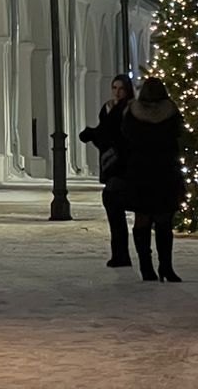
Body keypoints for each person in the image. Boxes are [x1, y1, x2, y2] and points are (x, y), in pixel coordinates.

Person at [121, 77, 185, 283]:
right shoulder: (171, 113)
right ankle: (166, 266)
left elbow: (126, 138)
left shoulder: (132, 113)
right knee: (164, 220)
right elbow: (178, 136)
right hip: (165, 171)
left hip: (140, 171)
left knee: (142, 219)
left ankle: (146, 267)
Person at [78, 74, 135, 267]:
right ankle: (119, 254)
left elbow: (114, 134)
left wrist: (93, 134)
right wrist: (95, 134)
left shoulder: (129, 109)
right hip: (110, 162)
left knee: (114, 207)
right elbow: (105, 133)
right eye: (114, 88)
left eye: (121, 89)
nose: (117, 92)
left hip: (123, 166)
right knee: (114, 212)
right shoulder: (108, 107)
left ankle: (121, 255)